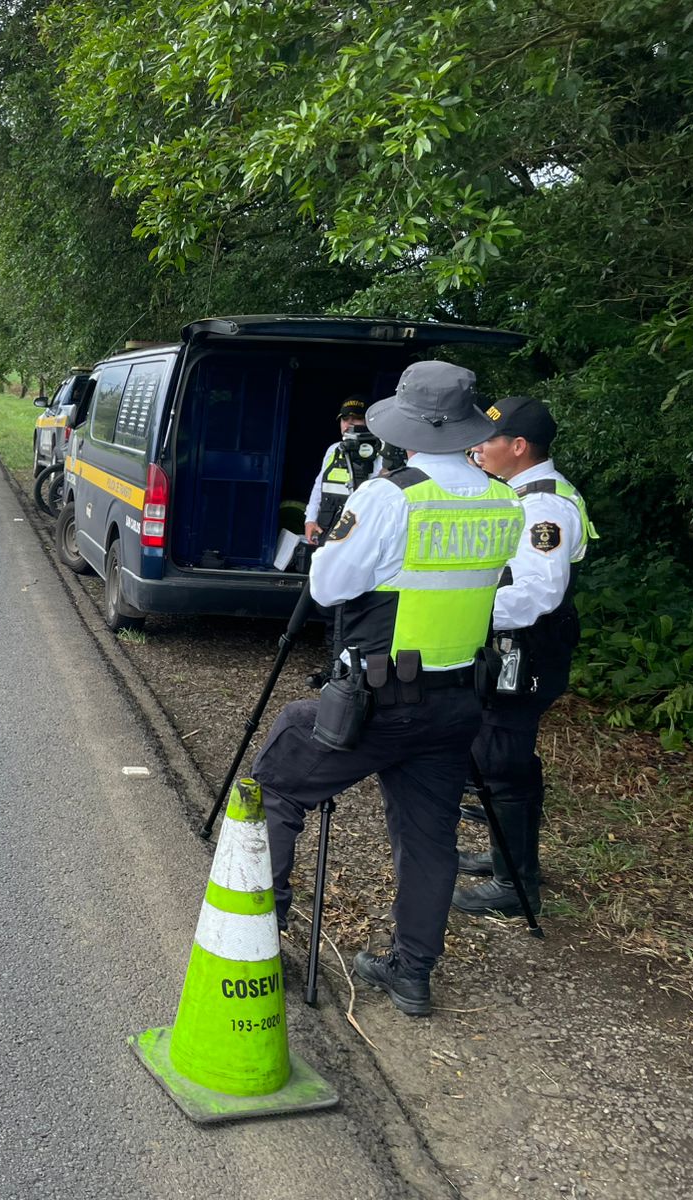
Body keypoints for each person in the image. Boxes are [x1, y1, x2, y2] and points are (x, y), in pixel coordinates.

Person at [249, 361, 523, 1017]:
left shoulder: (389, 496)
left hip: (379, 700)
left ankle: (257, 935)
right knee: (430, 838)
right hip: (458, 702)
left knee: (281, 776)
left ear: (407, 427)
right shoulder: (504, 500)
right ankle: (411, 972)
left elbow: (327, 587)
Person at [453, 396, 595, 917]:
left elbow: (538, 594)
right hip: (520, 646)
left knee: (501, 758)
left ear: (518, 446)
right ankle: (506, 859)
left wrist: (469, 612)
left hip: (527, 649)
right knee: (510, 759)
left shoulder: (543, 506)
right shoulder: (521, 492)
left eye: (486, 440)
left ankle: (515, 888)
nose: (476, 448)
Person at [303, 396, 382, 544]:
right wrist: (310, 520)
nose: (349, 424)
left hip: (361, 531)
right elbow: (319, 487)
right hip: (327, 528)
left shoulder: (380, 453)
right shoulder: (333, 450)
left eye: (356, 418)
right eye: (345, 419)